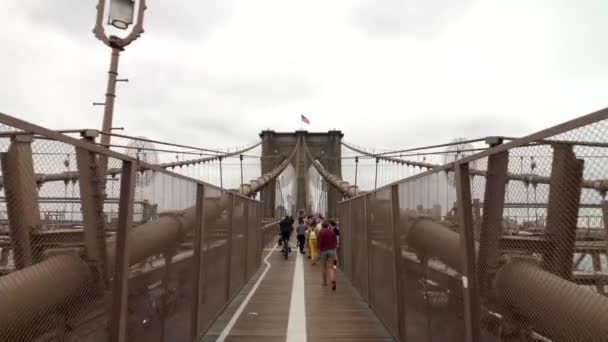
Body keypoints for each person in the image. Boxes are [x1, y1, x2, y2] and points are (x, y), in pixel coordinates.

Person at [318, 222, 338, 290]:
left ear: (322, 226)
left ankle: (324, 282)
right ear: (328, 226)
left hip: (323, 251)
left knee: (324, 267)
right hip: (331, 251)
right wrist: (333, 247)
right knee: (331, 267)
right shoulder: (332, 232)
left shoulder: (321, 232)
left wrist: (319, 251)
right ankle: (333, 280)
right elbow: (335, 242)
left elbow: (320, 242)